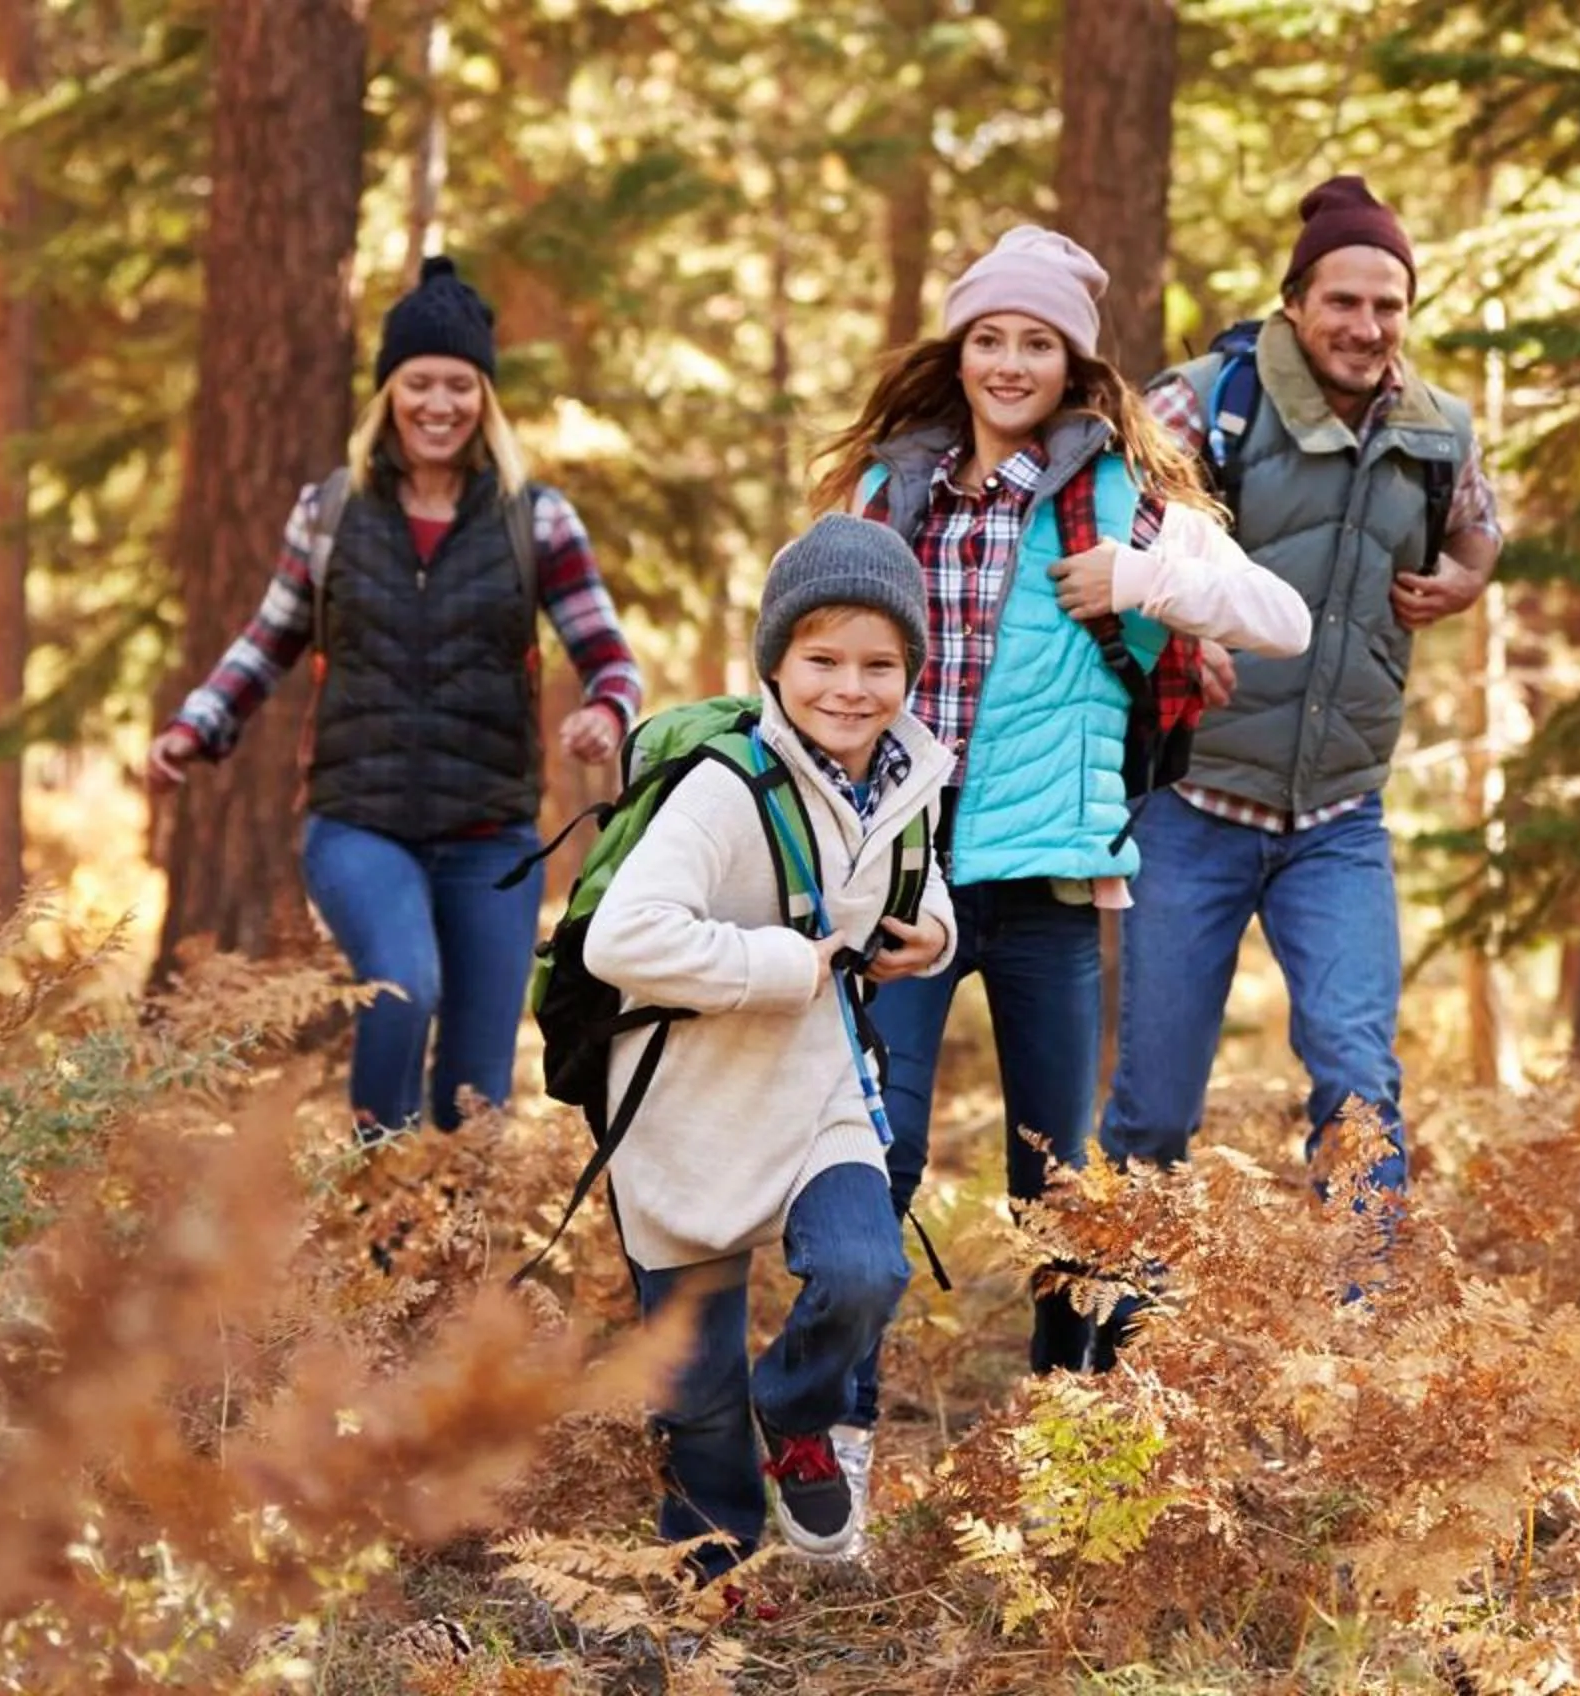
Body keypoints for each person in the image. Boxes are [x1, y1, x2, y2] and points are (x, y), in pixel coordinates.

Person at [806, 226, 1310, 1504]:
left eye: (1037, 342)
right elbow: (804, 648)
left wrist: (1144, 576)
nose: (1011, 361)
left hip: (1046, 889)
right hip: (902, 882)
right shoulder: (890, 494)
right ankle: (839, 1445)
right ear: (959, 353)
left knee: (1057, 1184)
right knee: (879, 1153)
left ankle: (1060, 1445)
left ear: (1074, 363)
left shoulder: (1117, 503)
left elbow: (1283, 620)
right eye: (990, 338)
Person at [147, 256, 643, 1143]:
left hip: (491, 836)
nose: (439, 405)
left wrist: (606, 711)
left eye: (460, 384)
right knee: (403, 984)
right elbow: (268, 641)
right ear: (390, 393)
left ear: (484, 398)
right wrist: (197, 726)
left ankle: (449, 1271)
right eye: (420, 383)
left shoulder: (537, 520)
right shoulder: (332, 513)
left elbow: (607, 652)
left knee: (476, 1095)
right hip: (359, 823)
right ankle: (378, 1221)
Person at [1100, 176, 1504, 1205]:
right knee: (1153, 1111)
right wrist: (1179, 628)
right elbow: (1100, 536)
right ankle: (1106, 1351)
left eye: (1388, 306)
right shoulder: (1203, 402)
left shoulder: (1437, 427)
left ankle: (1351, 1351)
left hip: (1339, 818)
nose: (1367, 328)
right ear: (1293, 302)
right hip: (1193, 805)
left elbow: (1478, 522)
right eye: (1343, 302)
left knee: (1361, 1088)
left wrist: (1467, 575)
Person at [584, 515, 953, 1571]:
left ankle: (794, 1412)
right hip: (684, 1109)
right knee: (695, 1399)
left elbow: (916, 886)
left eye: (880, 663)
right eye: (822, 659)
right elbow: (624, 936)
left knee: (863, 1271)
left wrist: (937, 933)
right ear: (776, 665)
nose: (852, 687)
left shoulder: (910, 776)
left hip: (817, 1096)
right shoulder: (722, 786)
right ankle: (714, 1583)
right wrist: (784, 965)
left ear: (910, 671)